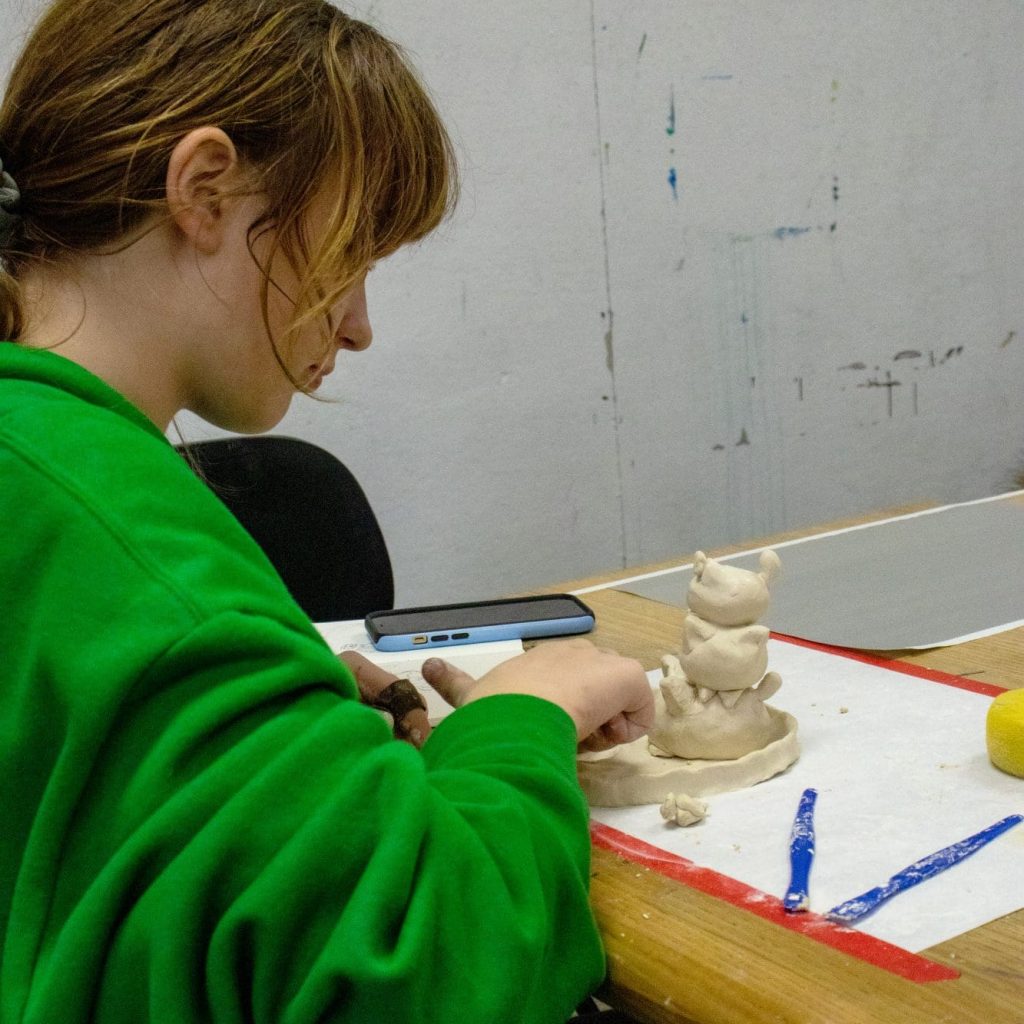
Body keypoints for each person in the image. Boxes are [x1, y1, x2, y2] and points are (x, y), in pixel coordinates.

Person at [0, 2, 655, 1022]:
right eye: (349, 253)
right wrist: (524, 713)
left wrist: (276, 720)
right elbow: (432, 964)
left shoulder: (34, 456)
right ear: (205, 190)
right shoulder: (113, 525)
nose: (356, 325)